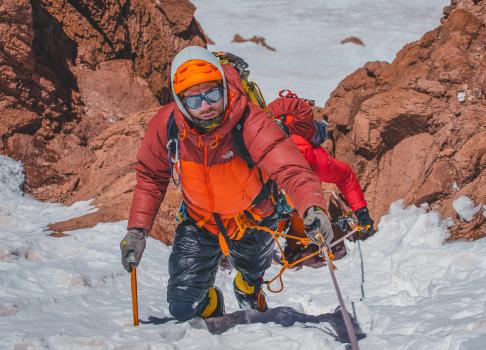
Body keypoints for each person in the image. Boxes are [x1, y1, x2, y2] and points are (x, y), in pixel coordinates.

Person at [119, 46, 334, 321]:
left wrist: (313, 208)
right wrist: (137, 231)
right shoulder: (167, 125)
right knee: (184, 307)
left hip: (253, 217)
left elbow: (291, 169)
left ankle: (248, 286)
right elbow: (151, 177)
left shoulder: (249, 120)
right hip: (200, 219)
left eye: (212, 94)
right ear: (179, 101)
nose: (206, 106)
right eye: (194, 100)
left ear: (224, 87)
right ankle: (210, 304)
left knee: (251, 276)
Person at [267, 91, 375, 261]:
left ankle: (286, 244)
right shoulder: (313, 160)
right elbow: (345, 175)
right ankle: (290, 244)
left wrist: (361, 212)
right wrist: (362, 212)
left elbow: (345, 175)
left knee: (290, 205)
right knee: (296, 203)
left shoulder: (311, 157)